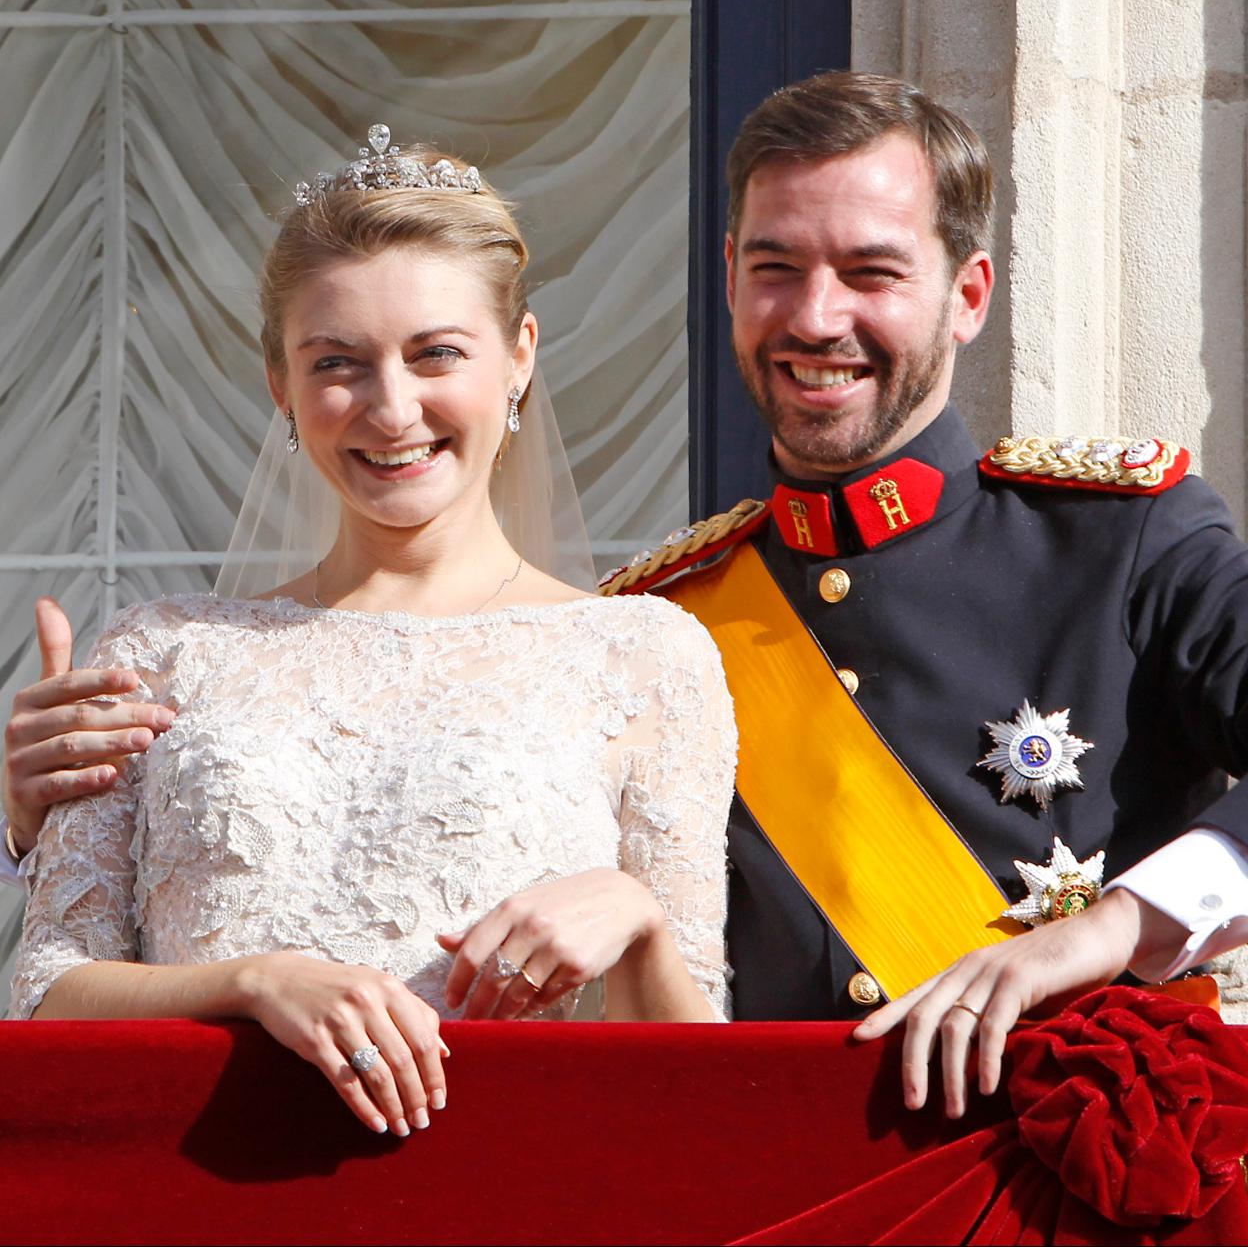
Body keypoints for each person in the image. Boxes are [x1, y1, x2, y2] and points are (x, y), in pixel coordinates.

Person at [9, 73, 1248, 1117]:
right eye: (776, 268)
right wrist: (39, 821)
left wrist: (1095, 937)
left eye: (870, 271)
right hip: (779, 1192)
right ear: (727, 280)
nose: (816, 317)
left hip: (1046, 1176)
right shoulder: (673, 611)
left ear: (967, 295)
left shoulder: (1120, 543)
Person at [2, 134, 735, 1137]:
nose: (393, 411)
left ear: (519, 358)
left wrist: (641, 928)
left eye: (437, 354)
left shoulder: (651, 657)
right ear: (282, 388)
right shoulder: (159, 651)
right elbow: (43, 993)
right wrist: (257, 982)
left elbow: (709, 1098)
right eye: (338, 363)